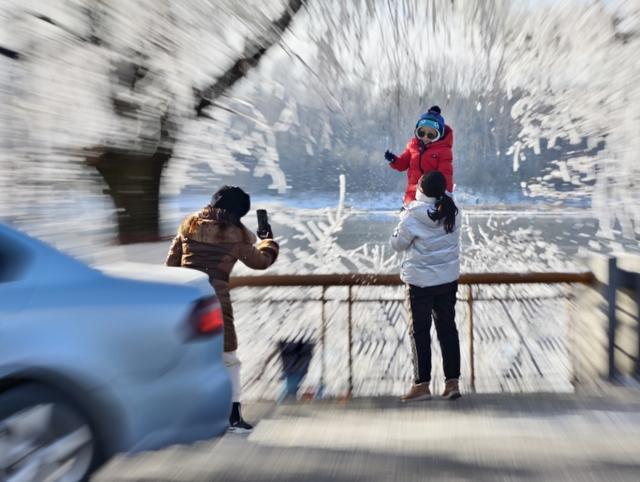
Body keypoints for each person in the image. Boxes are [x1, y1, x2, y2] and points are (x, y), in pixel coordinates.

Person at [165, 185, 279, 432]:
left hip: (186, 299)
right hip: (214, 301)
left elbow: (171, 265)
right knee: (228, 359)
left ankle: (184, 414)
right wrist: (268, 240)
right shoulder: (235, 234)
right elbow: (260, 262)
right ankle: (232, 416)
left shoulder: (189, 226)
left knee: (189, 356)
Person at [390, 171, 461, 401]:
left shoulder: (412, 216)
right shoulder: (453, 210)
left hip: (420, 283)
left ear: (420, 189)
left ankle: (422, 385)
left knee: (420, 332)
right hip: (447, 280)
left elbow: (397, 244)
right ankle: (452, 384)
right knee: (448, 330)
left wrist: (400, 221)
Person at [385, 106, 454, 207]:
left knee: (426, 219)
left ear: (439, 135)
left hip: (430, 197)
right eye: (422, 133)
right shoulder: (412, 146)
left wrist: (445, 195)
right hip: (412, 194)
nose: (425, 137)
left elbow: (446, 175)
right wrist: (394, 160)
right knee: (408, 220)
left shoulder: (443, 151)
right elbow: (403, 164)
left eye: (431, 135)